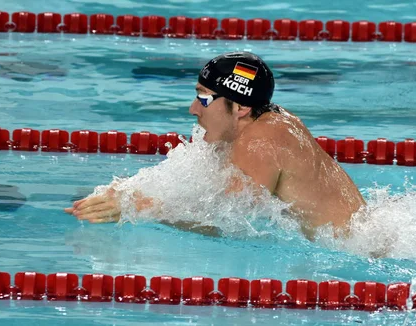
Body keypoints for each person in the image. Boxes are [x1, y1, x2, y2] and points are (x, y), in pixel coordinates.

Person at [65, 51, 366, 239]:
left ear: (240, 108)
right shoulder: (262, 122)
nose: (193, 109)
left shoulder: (261, 141)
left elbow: (230, 225)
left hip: (355, 254)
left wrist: (137, 206)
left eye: (204, 98)